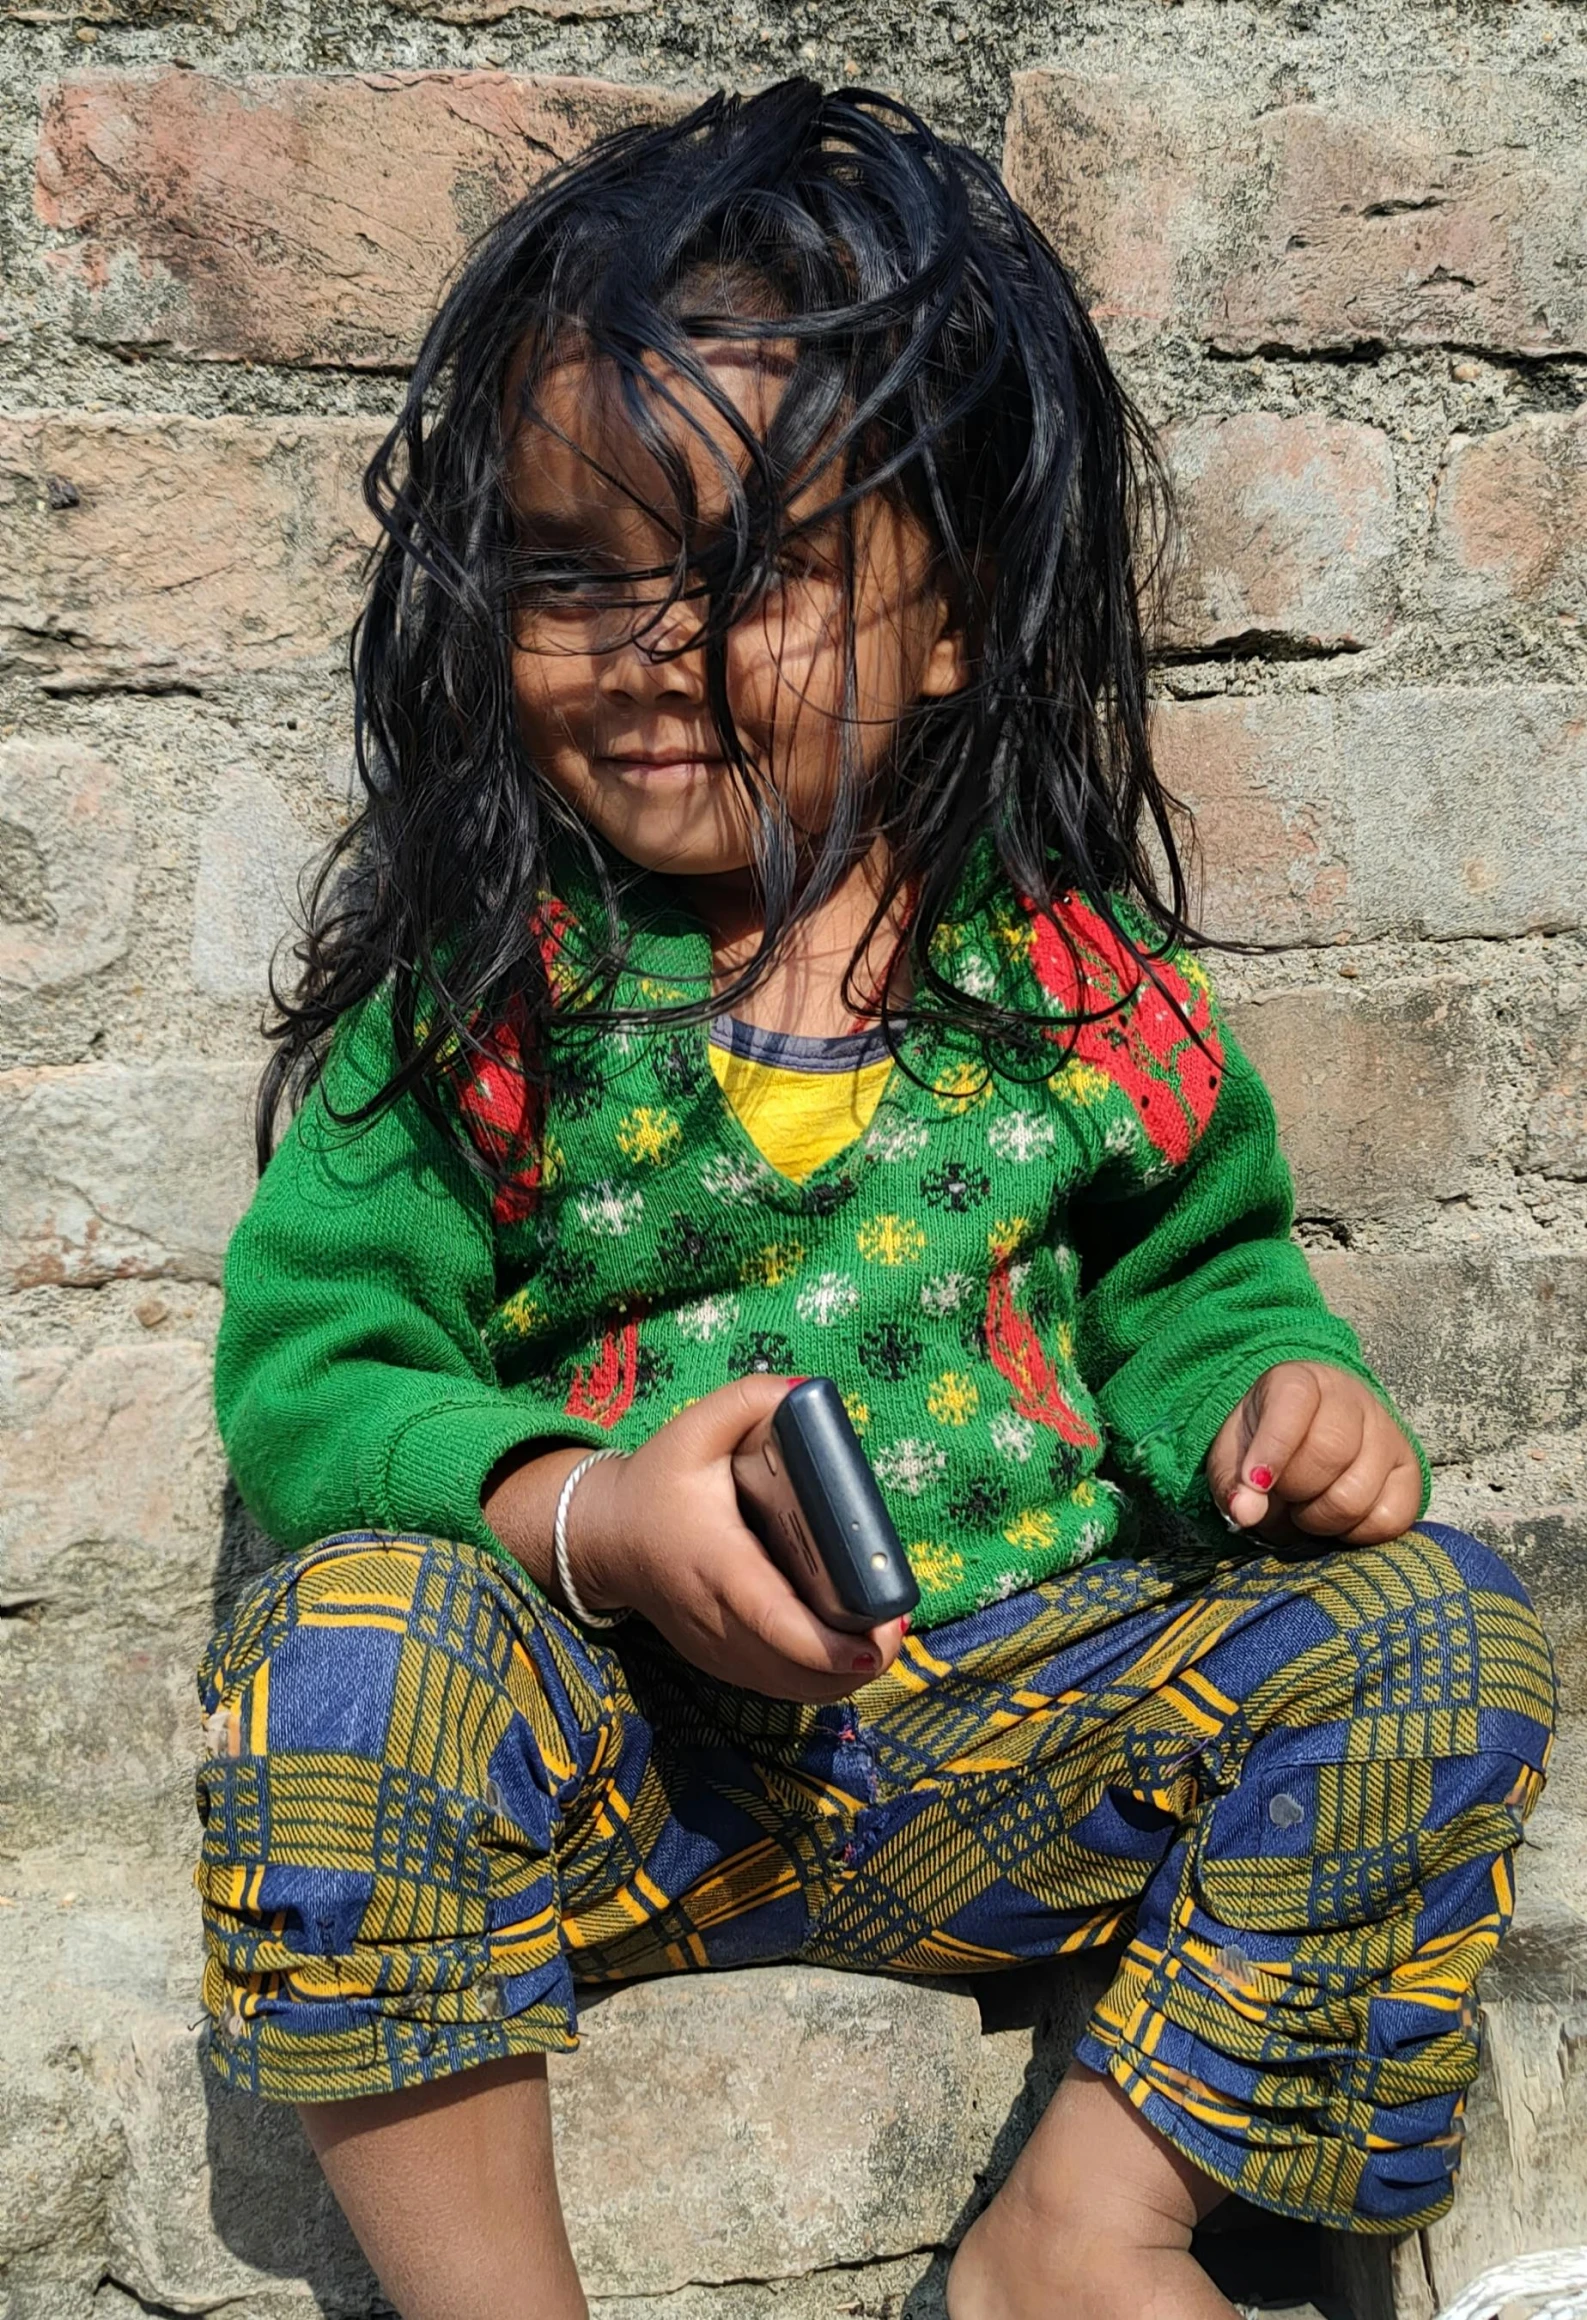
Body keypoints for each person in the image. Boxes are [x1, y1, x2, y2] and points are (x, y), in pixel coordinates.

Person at [198, 80, 1555, 2320]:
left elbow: (1193, 1293)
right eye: (576, 572)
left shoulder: (1079, 987)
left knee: (1440, 1622)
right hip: (613, 1779)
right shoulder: (486, 1001)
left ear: (951, 623)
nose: (650, 645)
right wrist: (577, 1509)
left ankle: (1077, 2233)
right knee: (341, 1643)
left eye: (749, 576)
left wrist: (1283, 1402)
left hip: (1019, 1754)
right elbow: (315, 1368)